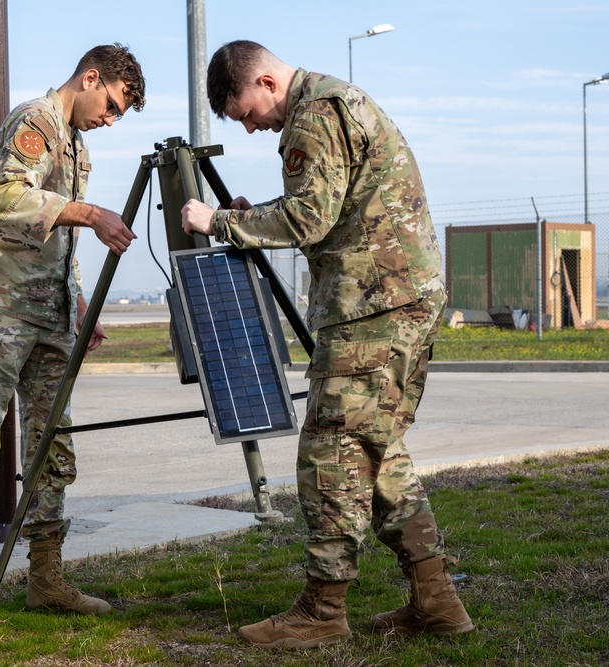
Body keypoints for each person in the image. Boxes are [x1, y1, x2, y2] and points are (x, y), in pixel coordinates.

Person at [181, 40, 473, 648]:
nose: (254, 128)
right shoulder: (335, 101)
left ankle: (322, 611)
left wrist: (220, 223)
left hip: (373, 306)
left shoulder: (313, 114)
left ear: (264, 81)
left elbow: (307, 219)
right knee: (376, 452)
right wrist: (255, 212)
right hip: (394, 299)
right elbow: (327, 208)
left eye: (246, 114)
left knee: (329, 455)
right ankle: (437, 601)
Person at [0, 44, 145, 632]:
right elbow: (4, 197)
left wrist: (79, 302)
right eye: (112, 104)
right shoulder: (33, 121)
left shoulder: (76, 144)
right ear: (91, 78)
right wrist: (91, 214)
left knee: (52, 449)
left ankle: (45, 578)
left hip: (50, 315)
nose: (110, 119)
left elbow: (55, 241)